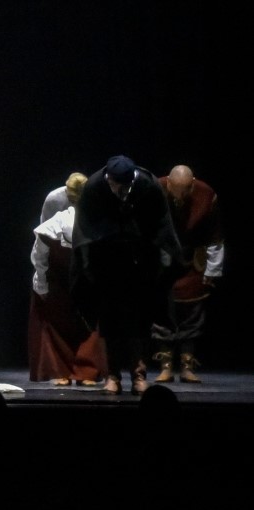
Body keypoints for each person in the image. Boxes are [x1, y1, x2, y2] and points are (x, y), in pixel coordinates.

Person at [73, 155, 178, 394]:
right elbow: (84, 226)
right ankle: (112, 375)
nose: (117, 190)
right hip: (106, 262)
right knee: (109, 320)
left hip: (140, 261)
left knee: (139, 320)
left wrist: (162, 259)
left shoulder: (148, 185)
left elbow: (162, 223)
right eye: (113, 184)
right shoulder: (95, 186)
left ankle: (138, 374)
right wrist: (86, 265)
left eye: (122, 186)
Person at [29, 173, 105, 386]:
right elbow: (40, 256)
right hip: (61, 280)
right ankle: (72, 371)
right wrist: (42, 284)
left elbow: (39, 256)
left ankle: (80, 370)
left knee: (81, 323)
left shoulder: (91, 220)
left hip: (80, 279)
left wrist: (41, 283)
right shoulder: (59, 221)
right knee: (68, 323)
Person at [154, 165, 223, 383]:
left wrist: (213, 269)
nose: (180, 198)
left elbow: (215, 236)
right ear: (168, 183)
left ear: (192, 185)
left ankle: (186, 365)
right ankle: (165, 365)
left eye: (185, 192)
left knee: (192, 314)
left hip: (192, 260)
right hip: (162, 260)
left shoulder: (206, 195)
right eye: (175, 192)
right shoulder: (154, 189)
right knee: (161, 312)